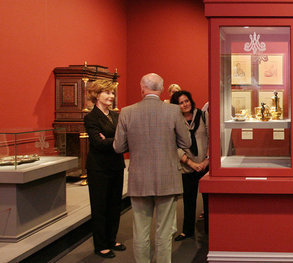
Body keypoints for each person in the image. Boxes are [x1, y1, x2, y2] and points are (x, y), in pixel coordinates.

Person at [113, 73, 191, 263]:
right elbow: (186, 141)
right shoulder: (173, 111)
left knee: (140, 231)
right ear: (162, 89)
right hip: (167, 177)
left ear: (142, 88)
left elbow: (118, 147)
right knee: (164, 232)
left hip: (139, 179)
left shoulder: (127, 112)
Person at [84, 79, 126, 258]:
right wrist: (117, 141)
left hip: (116, 165)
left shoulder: (117, 116)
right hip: (99, 169)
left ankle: (111, 239)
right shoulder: (90, 117)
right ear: (96, 95)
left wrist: (111, 141)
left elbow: (124, 140)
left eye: (112, 93)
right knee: (100, 206)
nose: (111, 96)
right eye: (107, 93)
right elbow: (97, 143)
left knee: (115, 205)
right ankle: (100, 244)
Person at [171, 90, 209, 241]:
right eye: (180, 102)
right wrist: (191, 163)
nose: (184, 104)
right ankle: (187, 231)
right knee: (189, 199)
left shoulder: (203, 116)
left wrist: (206, 160)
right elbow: (173, 145)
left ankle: (209, 229)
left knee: (208, 200)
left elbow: (213, 137)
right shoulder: (175, 121)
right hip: (187, 166)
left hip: (205, 164)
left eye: (186, 101)